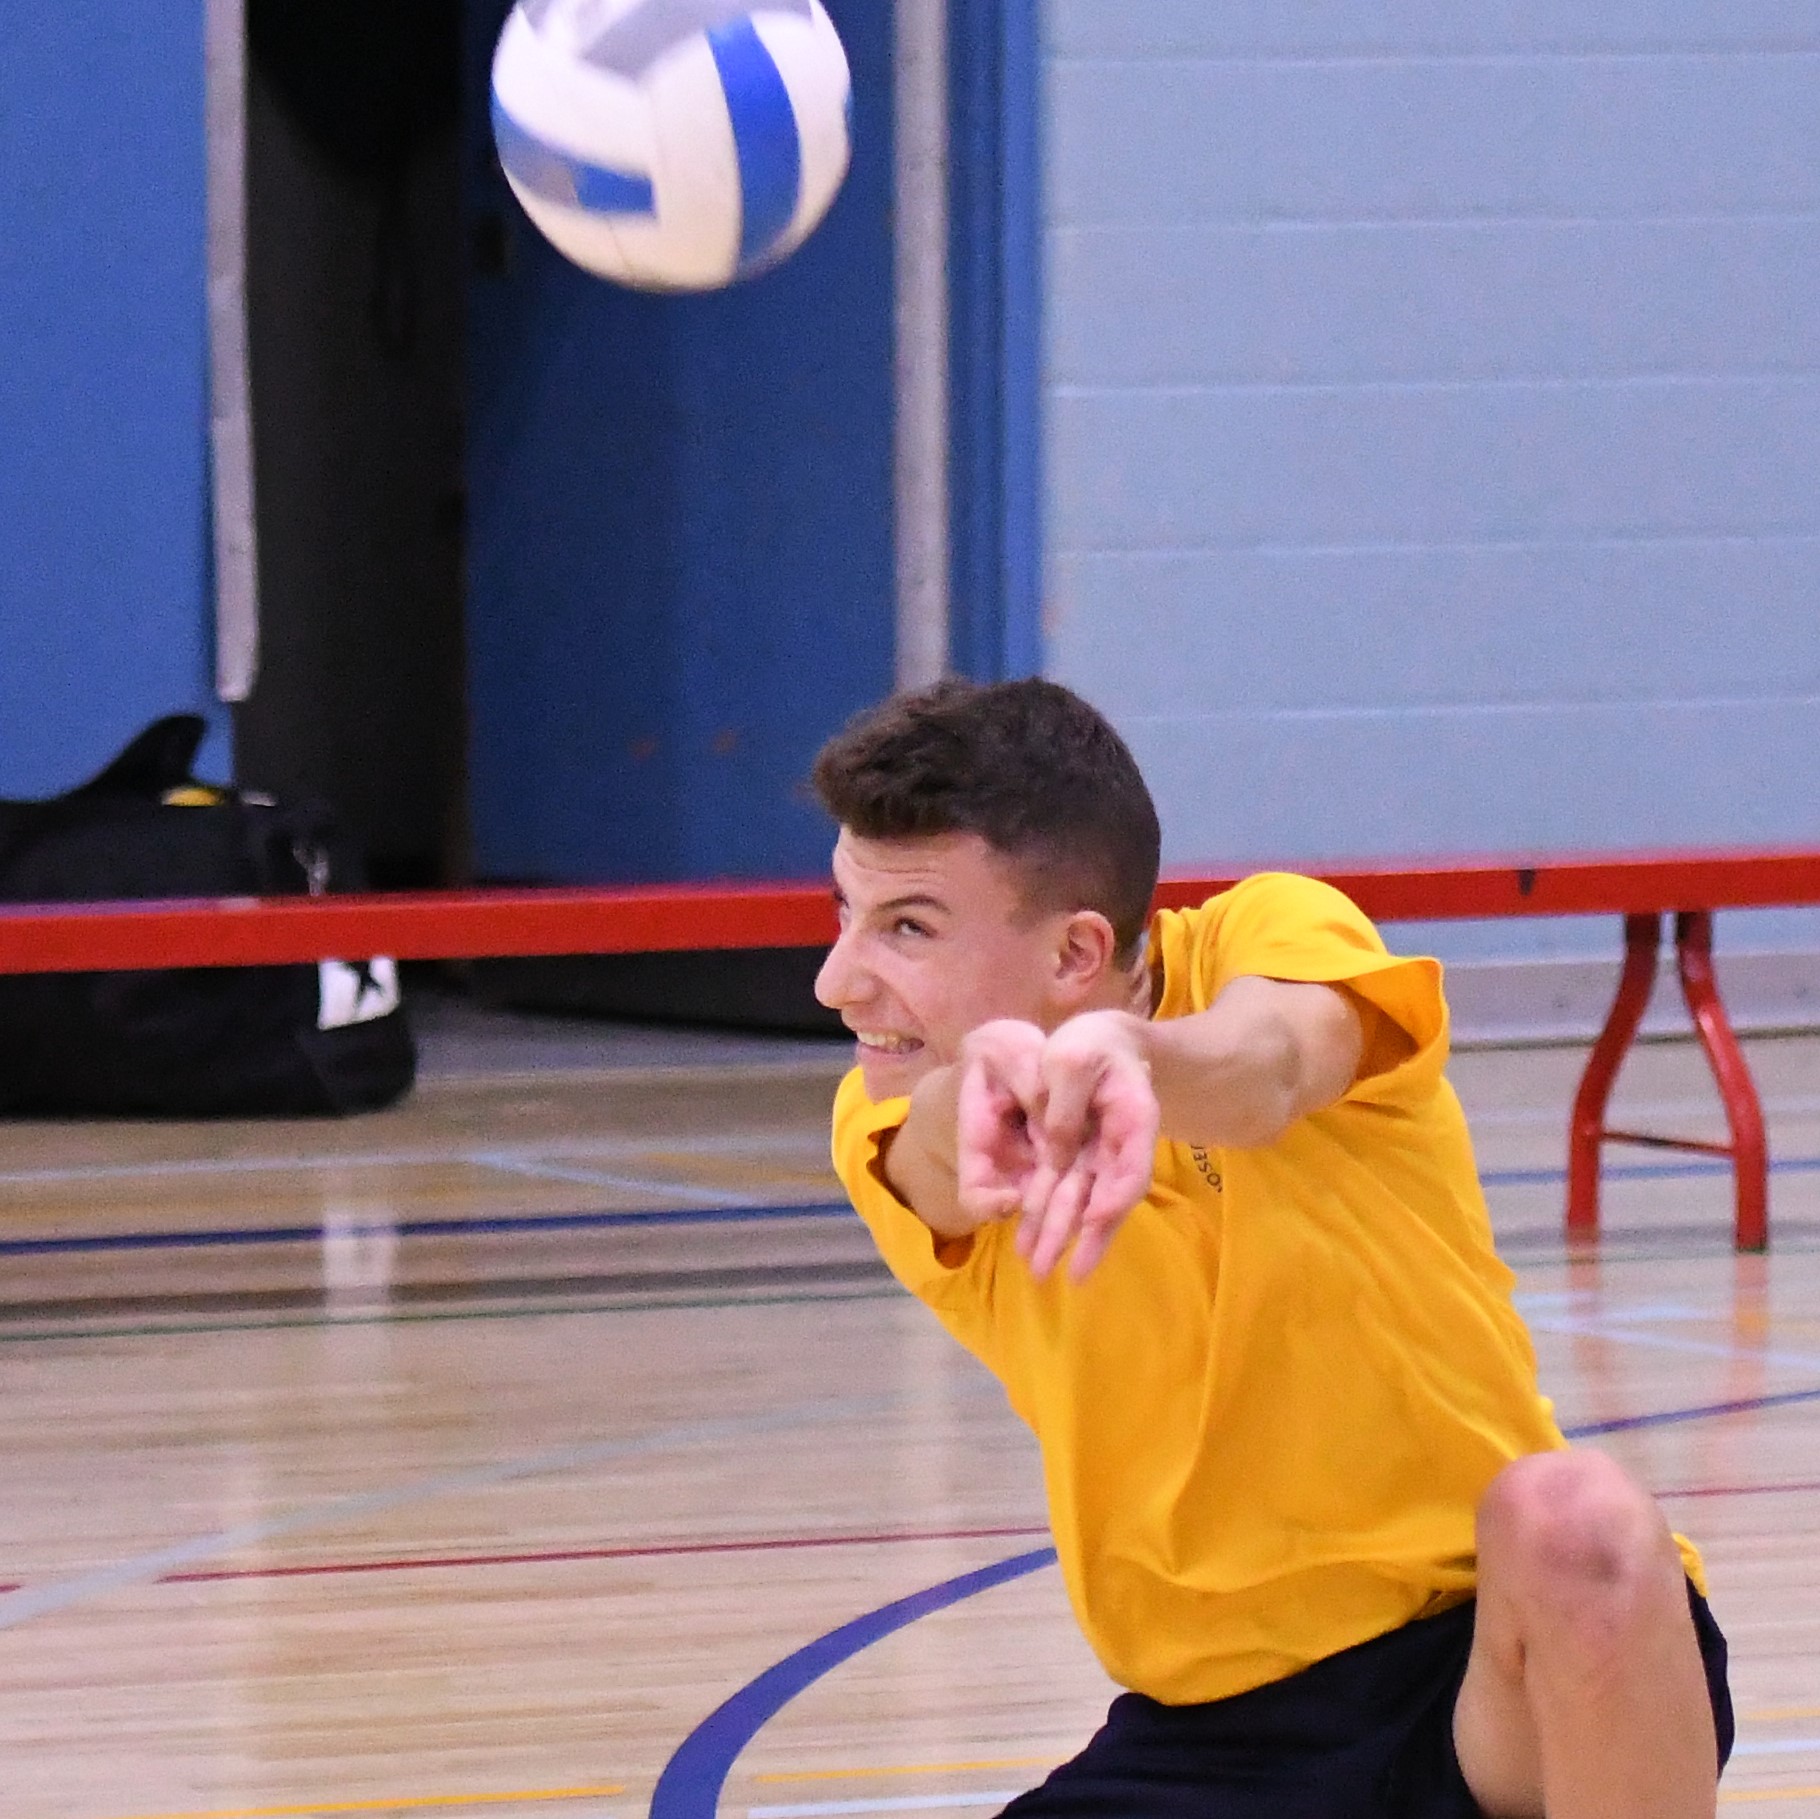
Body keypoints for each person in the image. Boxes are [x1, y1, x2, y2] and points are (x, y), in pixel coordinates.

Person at [809, 676, 1733, 1819]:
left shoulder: (1270, 933)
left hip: (1497, 1677)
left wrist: (1136, 1063)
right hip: (1219, 1747)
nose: (838, 979)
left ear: (1074, 952)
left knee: (1574, 1521)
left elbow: (1274, 1060)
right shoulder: (891, 1109)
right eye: (844, 914)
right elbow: (936, 1162)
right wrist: (990, 1098)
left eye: (905, 926)